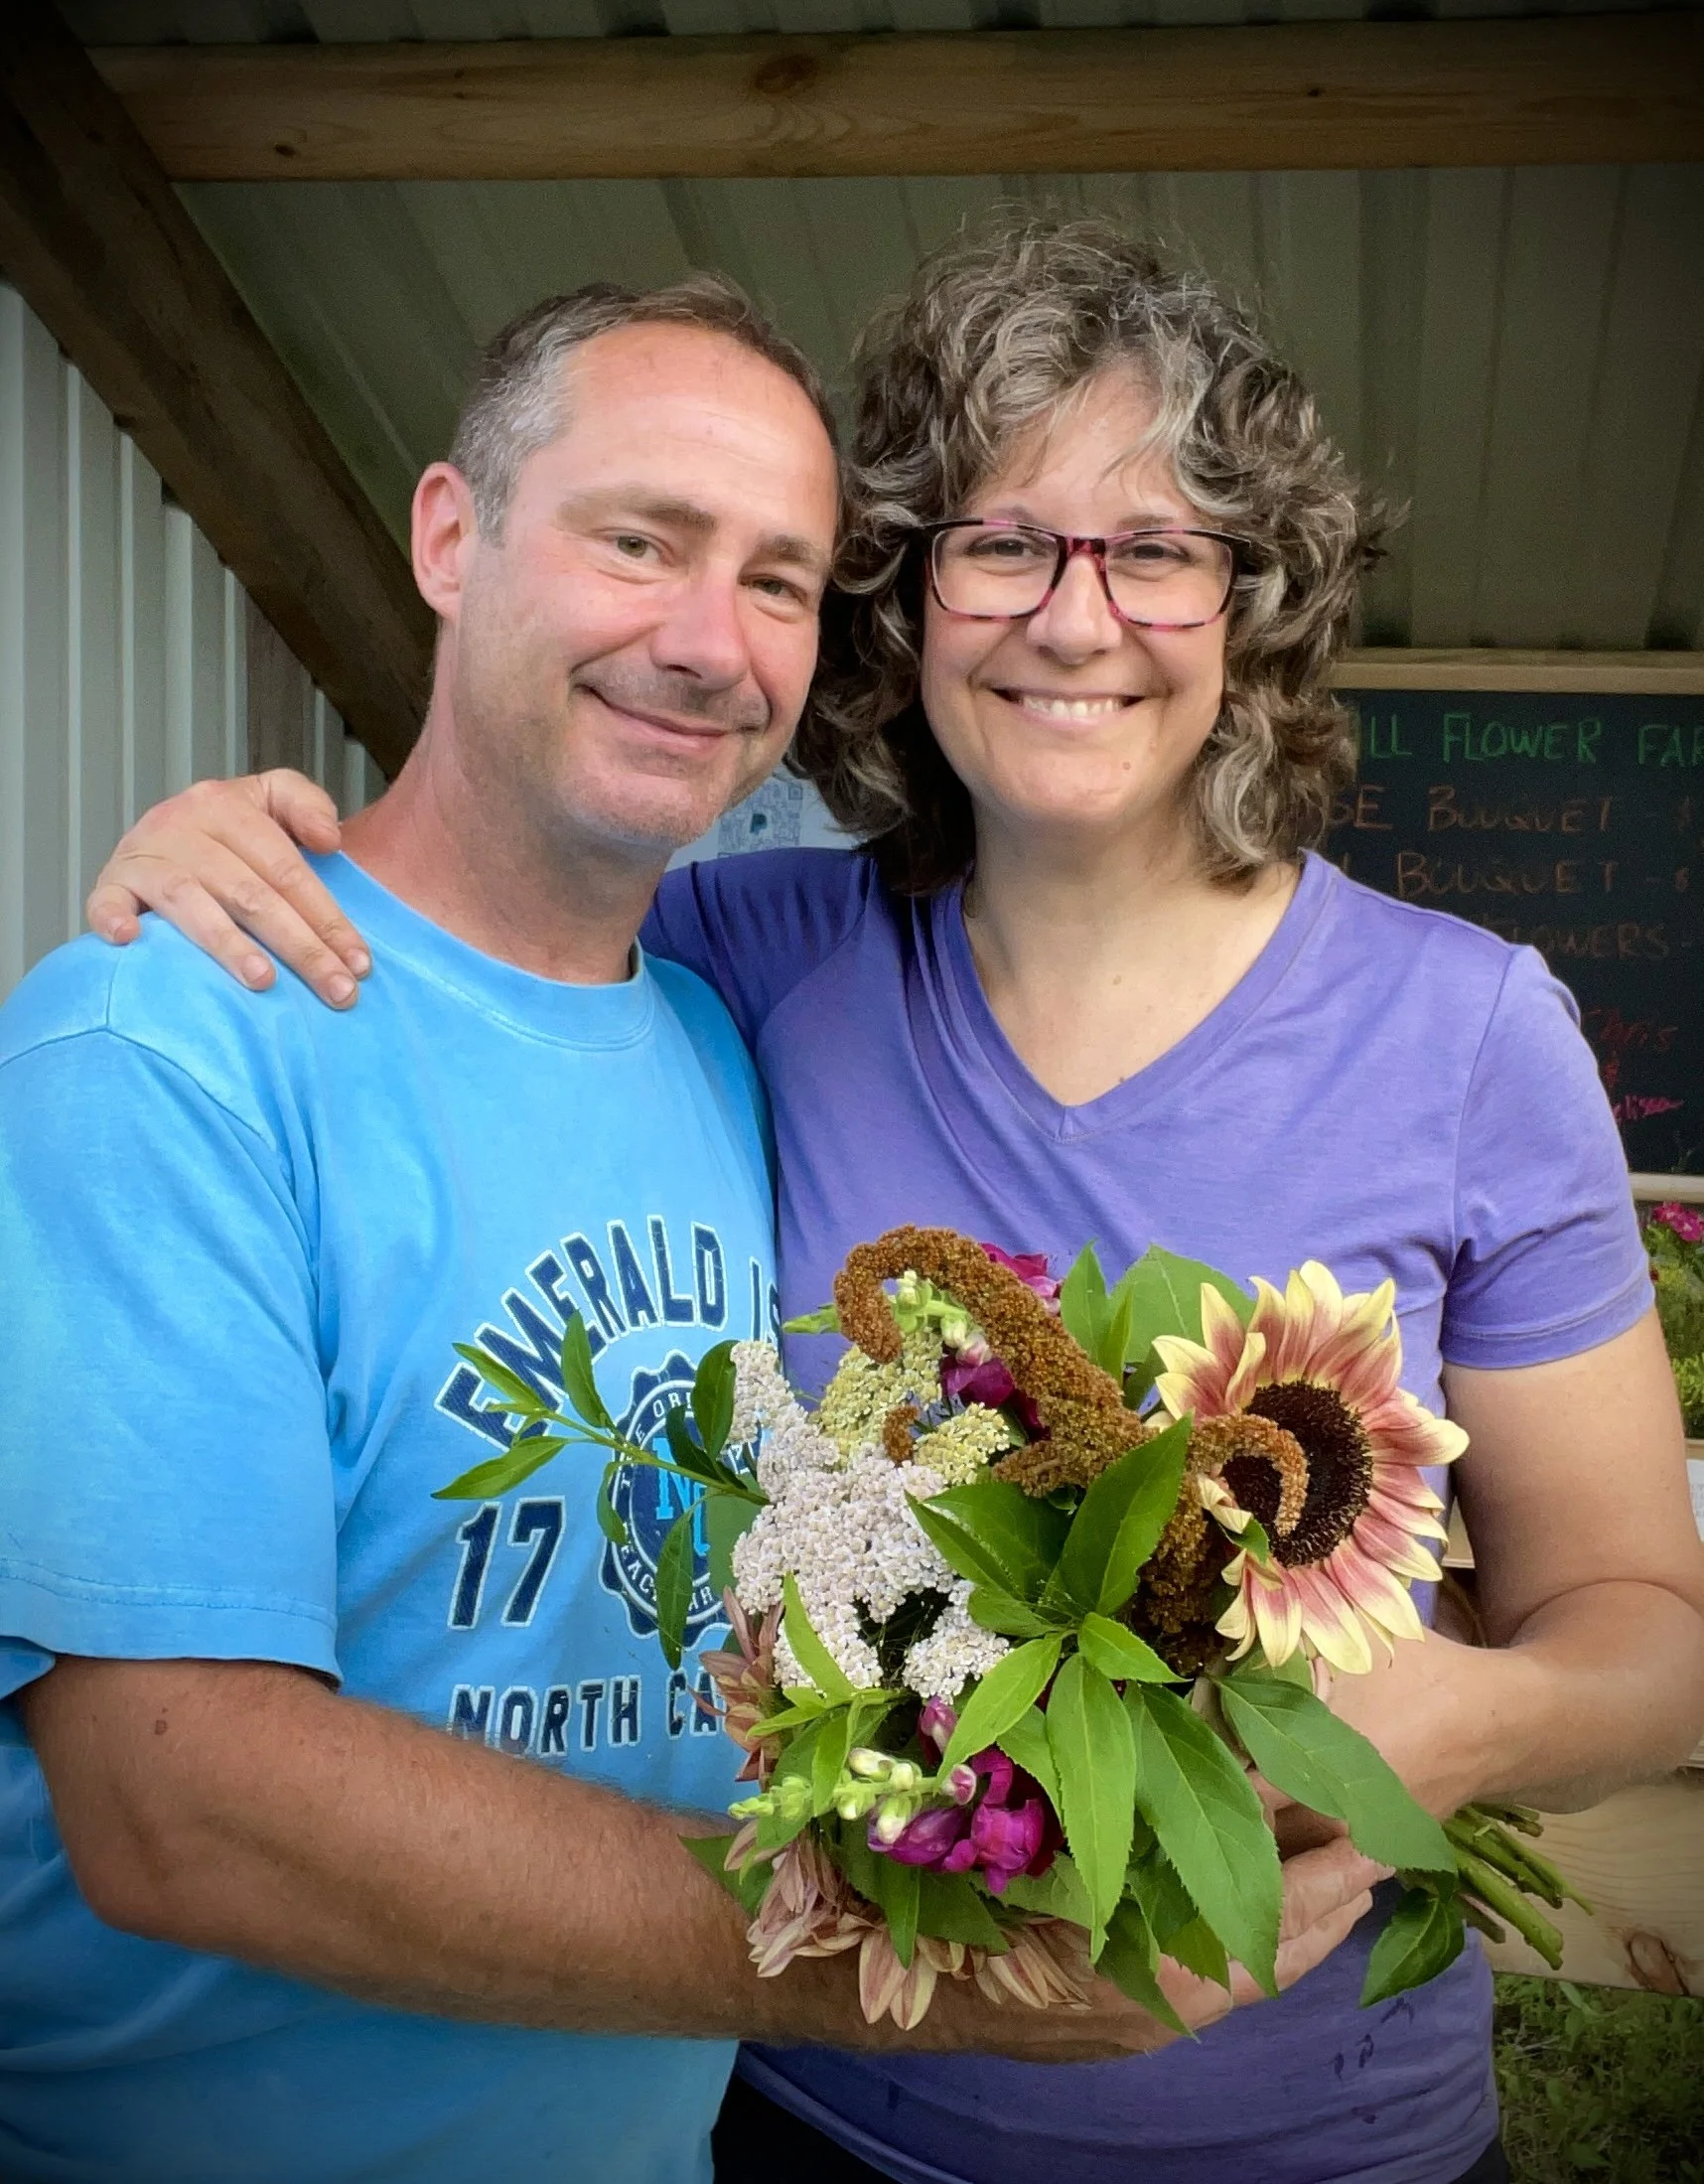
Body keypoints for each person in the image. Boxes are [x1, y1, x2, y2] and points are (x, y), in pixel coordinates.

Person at [85, 218, 1704, 2184]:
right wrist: (228, 857)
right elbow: (481, 913)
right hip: (810, 2118)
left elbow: (1651, 1623)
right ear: (913, 600)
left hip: (1325, 2140)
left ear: (1250, 596)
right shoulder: (744, 960)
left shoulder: (1464, 1034)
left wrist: (1460, 1722)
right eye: (1004, 542)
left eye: (1160, 548)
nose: (1077, 618)